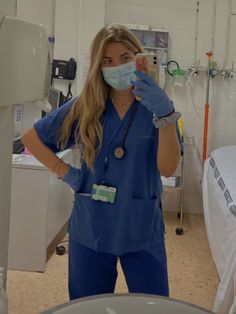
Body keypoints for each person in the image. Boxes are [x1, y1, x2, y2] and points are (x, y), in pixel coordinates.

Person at [21, 23, 181, 300]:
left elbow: (168, 168)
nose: (116, 66)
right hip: (91, 227)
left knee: (152, 307)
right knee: (87, 306)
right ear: (98, 66)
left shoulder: (154, 106)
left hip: (140, 226)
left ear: (138, 59)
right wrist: (66, 172)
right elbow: (31, 139)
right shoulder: (86, 105)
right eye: (107, 61)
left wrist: (166, 115)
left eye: (125, 58)